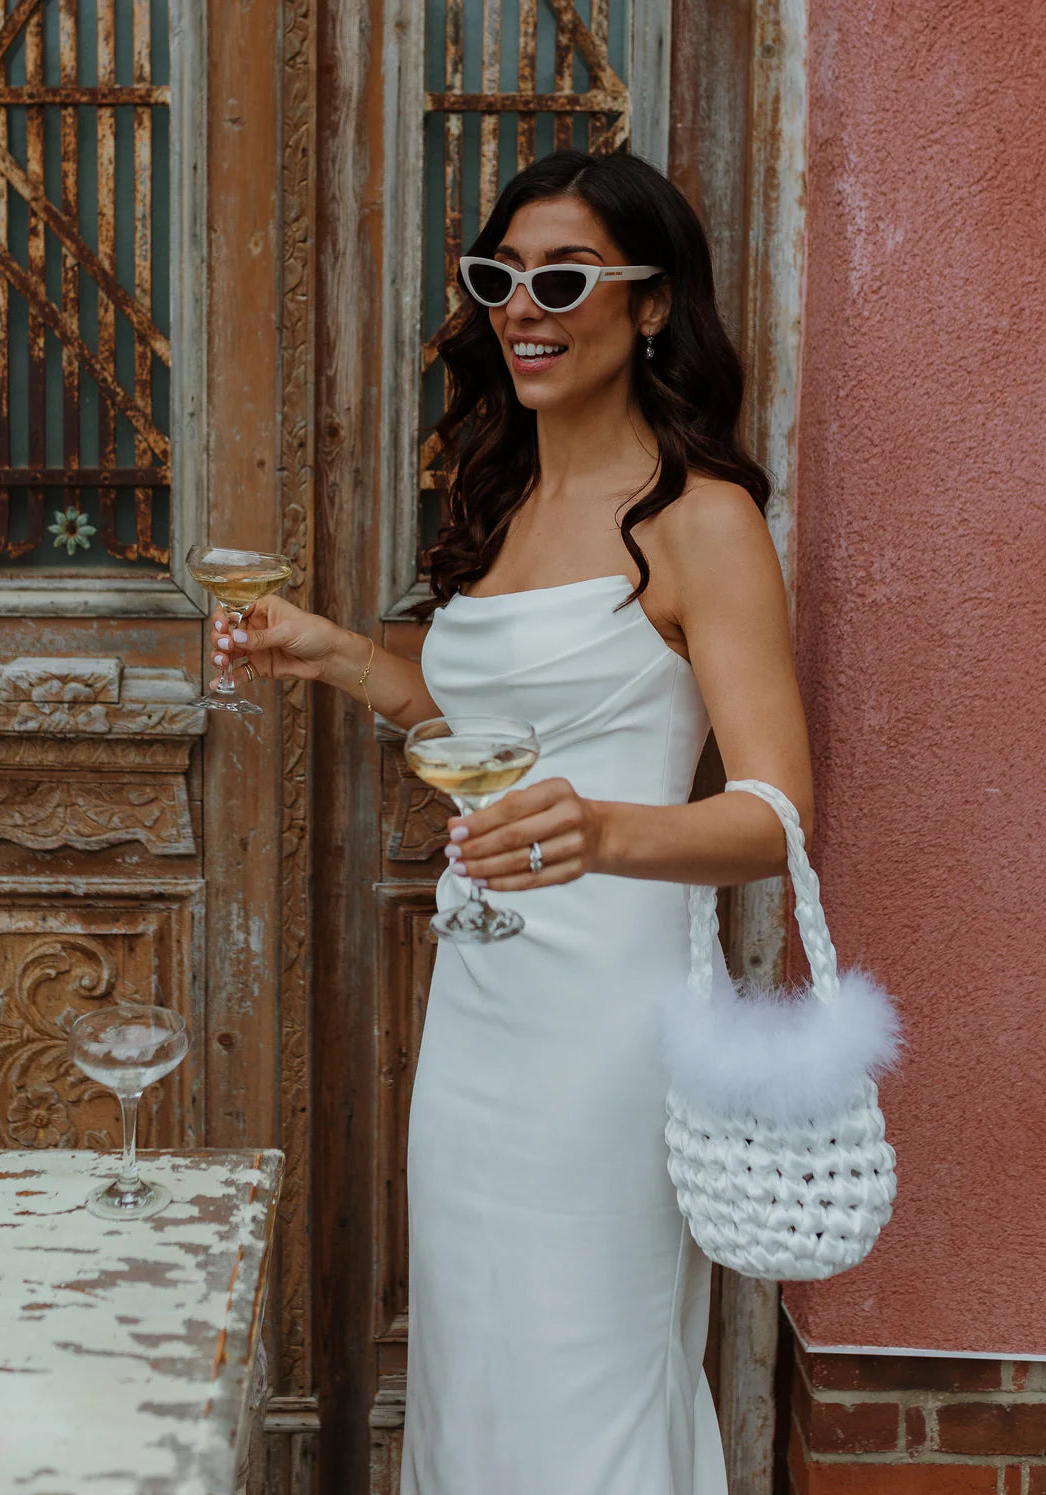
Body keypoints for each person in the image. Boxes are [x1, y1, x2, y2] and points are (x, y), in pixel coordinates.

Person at [210, 150, 813, 1495]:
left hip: (611, 1027)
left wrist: (601, 832)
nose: (524, 309)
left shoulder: (703, 520)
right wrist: (335, 655)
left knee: (585, 1374)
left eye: (562, 279)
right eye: (499, 280)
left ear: (652, 307)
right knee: (479, 1369)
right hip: (482, 1011)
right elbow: (490, 727)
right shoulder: (504, 501)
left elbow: (774, 812)